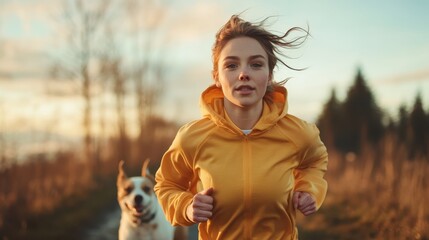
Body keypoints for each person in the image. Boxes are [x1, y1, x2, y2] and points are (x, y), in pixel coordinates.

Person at [154, 14, 328, 240]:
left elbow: (315, 161)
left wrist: (309, 189)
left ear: (269, 75)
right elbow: (166, 184)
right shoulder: (192, 137)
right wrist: (186, 207)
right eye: (231, 65)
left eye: (256, 64)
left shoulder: (298, 133)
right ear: (216, 76)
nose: (243, 74)